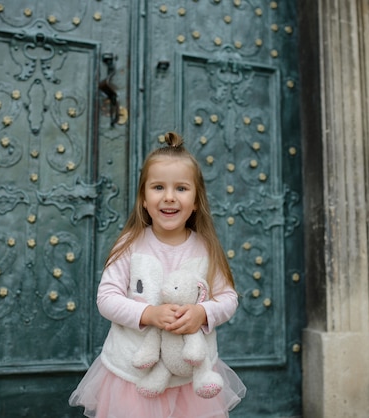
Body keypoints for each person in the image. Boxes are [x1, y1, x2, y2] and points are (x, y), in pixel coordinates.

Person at [69, 131, 246, 417]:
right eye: (158, 187)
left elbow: (228, 298)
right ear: (143, 197)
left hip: (191, 381)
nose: (169, 197)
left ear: (197, 200)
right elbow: (107, 298)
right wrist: (149, 314)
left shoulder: (205, 248)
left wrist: (202, 313)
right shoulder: (130, 244)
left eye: (181, 188)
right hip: (133, 375)